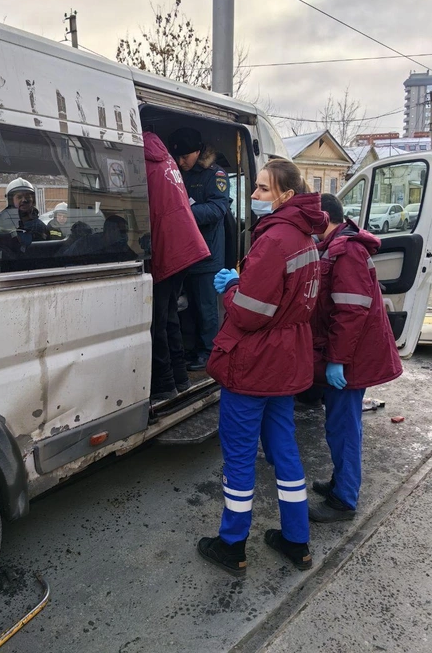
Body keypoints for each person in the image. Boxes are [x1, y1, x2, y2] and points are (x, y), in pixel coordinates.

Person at [197, 159, 328, 576]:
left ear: (286, 196)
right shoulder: (306, 237)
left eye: (262, 190)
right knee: (285, 451)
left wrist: (232, 287)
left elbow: (251, 313)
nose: (253, 196)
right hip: (287, 360)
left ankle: (232, 546)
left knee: (239, 457)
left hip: (255, 364)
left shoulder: (275, 241)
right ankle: (296, 540)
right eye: (254, 188)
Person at [309, 193, 403, 522]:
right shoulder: (332, 247)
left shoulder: (345, 251)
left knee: (344, 427)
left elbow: (350, 312)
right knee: (341, 425)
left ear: (325, 217)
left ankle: (344, 500)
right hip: (350, 354)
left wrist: (336, 359)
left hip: (351, 358)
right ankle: (340, 482)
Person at [143, 131, 210, 403]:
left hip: (168, 248)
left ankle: (164, 383)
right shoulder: (164, 159)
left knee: (157, 319)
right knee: (169, 314)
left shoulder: (142, 161)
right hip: (185, 245)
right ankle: (180, 378)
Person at [168, 127, 229, 371]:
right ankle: (192, 348)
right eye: (178, 158)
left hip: (207, 254)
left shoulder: (214, 175)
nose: (181, 162)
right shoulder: (177, 173)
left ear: (197, 151)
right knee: (188, 305)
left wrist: (183, 214)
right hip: (184, 253)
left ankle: (208, 352)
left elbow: (217, 209)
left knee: (206, 307)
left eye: (185, 156)